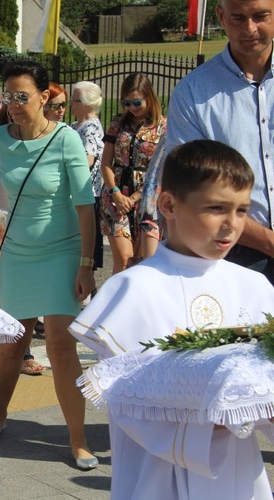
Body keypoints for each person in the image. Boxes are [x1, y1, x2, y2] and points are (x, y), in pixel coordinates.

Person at [70, 139, 274, 499]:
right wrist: (208, 422)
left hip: (238, 470)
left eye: (242, 211)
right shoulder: (133, 289)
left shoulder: (254, 286)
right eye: (216, 208)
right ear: (168, 204)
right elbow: (126, 398)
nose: (231, 224)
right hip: (156, 472)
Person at [0, 61, 97, 469]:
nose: (13, 105)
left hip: (63, 252)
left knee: (61, 346)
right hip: (16, 253)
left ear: (45, 96)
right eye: (8, 96)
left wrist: (86, 264)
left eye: (22, 96)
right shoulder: (0, 137)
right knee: (12, 341)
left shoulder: (66, 139)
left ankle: (78, 438)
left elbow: (85, 205)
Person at [163, 0, 274, 285]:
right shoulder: (194, 93)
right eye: (238, 18)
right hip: (236, 255)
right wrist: (267, 241)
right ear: (221, 16)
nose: (249, 28)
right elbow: (192, 187)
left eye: (260, 16)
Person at [99, 73, 166, 274]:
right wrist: (116, 193)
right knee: (124, 260)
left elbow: (163, 168)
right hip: (115, 196)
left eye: (137, 102)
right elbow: (106, 163)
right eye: (126, 102)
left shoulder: (163, 126)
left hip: (147, 198)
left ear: (149, 97)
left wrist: (137, 196)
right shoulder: (118, 122)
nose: (132, 108)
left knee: (141, 262)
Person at [70, 81, 105, 275]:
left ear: (87, 104)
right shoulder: (77, 125)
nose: (71, 105)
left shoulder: (90, 127)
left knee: (84, 241)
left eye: (75, 100)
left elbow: (88, 159)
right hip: (77, 192)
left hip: (87, 191)